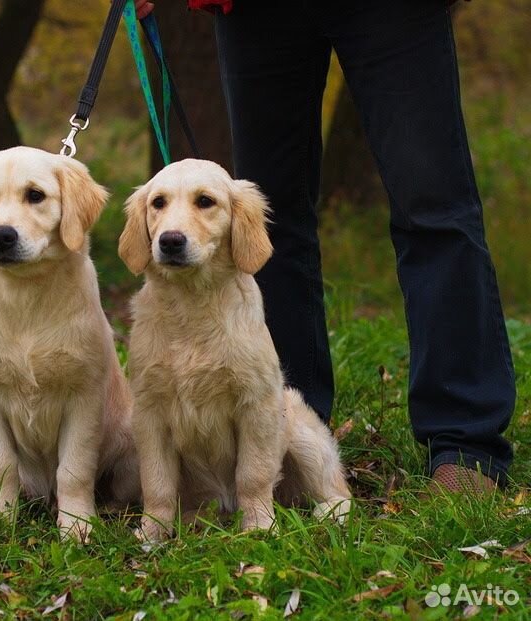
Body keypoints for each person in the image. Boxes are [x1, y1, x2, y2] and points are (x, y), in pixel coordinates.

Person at [133, 0, 515, 493]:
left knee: (434, 208)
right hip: (256, 12)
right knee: (271, 222)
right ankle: (288, 433)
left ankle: (466, 444)